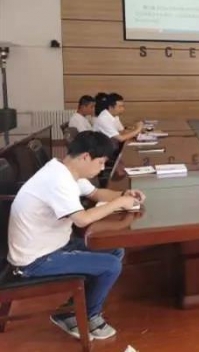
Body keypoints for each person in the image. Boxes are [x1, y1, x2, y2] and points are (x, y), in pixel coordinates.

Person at [7, 131, 146, 340]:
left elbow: (96, 194)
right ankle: (89, 316)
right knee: (111, 265)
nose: (102, 168)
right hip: (34, 260)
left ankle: (73, 311)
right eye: (100, 162)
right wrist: (118, 203)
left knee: (114, 251)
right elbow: (82, 219)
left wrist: (123, 195)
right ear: (85, 157)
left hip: (54, 245)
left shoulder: (66, 170)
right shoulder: (58, 180)